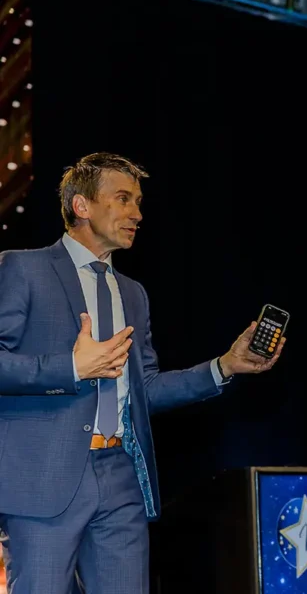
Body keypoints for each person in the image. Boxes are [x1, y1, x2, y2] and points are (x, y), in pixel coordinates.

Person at [0, 153, 286, 594]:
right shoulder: (24, 268)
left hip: (121, 477)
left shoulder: (132, 294)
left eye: (138, 202)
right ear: (82, 206)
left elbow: (145, 389)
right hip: (44, 481)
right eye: (123, 199)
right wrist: (71, 367)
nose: (137, 213)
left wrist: (225, 365)